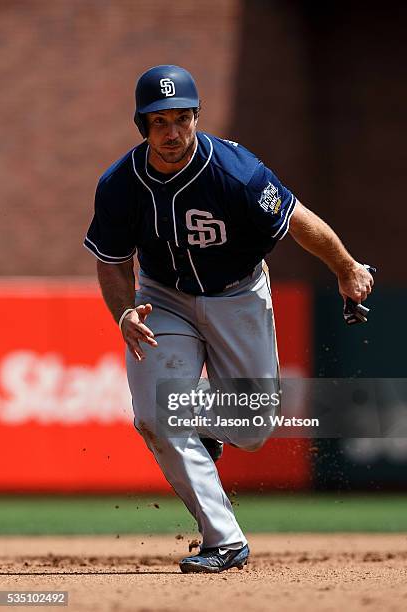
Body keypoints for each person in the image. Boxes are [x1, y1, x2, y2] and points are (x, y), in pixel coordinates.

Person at [84, 65, 374, 573]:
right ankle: (224, 540)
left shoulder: (236, 173)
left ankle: (206, 425)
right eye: (158, 122)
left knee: (255, 425)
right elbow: (111, 260)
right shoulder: (119, 185)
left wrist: (347, 269)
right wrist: (125, 311)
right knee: (157, 413)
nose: (171, 133)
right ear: (142, 127)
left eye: (181, 118)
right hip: (163, 297)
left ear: (197, 117)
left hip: (237, 293)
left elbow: (299, 222)